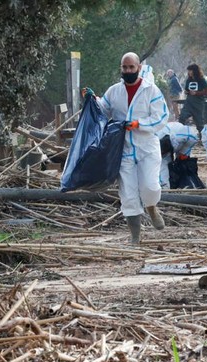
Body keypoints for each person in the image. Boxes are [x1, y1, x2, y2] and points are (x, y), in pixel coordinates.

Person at [83, 52, 168, 244]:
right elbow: (103, 109)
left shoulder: (151, 91)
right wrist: (91, 99)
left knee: (150, 186)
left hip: (146, 146)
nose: (128, 71)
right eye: (125, 67)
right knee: (128, 195)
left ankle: (152, 207)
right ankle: (135, 238)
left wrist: (139, 124)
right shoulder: (114, 91)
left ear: (138, 67)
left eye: (131, 67)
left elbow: (161, 117)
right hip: (123, 148)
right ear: (121, 68)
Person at [155, 122, 199, 188]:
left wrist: (184, 154)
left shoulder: (181, 133)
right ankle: (165, 187)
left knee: (168, 164)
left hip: (170, 143)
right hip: (163, 145)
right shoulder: (159, 137)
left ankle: (167, 186)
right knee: (163, 164)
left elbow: (190, 137)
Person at [178, 64, 207, 134]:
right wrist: (187, 92)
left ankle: (203, 138)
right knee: (182, 118)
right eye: (188, 70)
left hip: (198, 104)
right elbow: (186, 89)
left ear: (194, 71)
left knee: (199, 123)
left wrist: (197, 93)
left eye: (190, 70)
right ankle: (180, 134)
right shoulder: (189, 80)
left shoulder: (201, 80)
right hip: (189, 103)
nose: (189, 72)